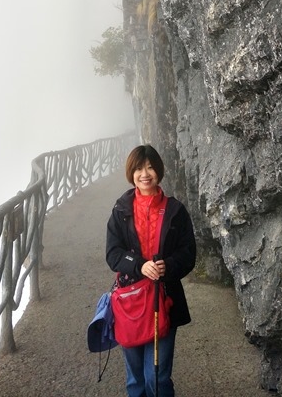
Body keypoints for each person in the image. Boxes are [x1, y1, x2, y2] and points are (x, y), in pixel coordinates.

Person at [106, 144, 196, 397]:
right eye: (138, 169)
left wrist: (169, 265)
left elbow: (188, 253)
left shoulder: (176, 211)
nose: (144, 174)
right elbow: (113, 253)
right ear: (131, 173)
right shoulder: (121, 210)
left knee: (156, 377)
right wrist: (139, 265)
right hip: (130, 300)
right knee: (135, 379)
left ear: (159, 170)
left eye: (149, 167)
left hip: (164, 298)